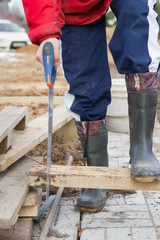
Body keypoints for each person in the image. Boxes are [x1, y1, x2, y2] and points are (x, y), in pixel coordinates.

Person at [22, 0, 160, 213]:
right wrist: (47, 33)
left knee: (137, 26)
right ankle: (96, 172)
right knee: (84, 79)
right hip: (75, 5)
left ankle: (142, 149)